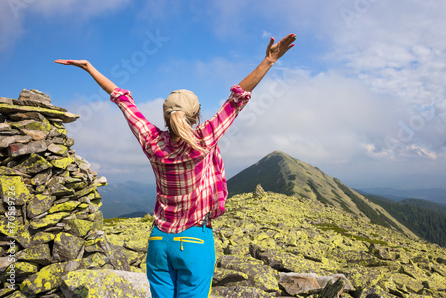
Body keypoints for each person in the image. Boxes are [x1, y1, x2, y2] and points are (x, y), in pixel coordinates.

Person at [55, 33, 296, 298]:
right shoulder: (204, 138)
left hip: (158, 241)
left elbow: (122, 99)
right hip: (194, 239)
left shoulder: (151, 140)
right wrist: (269, 60)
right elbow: (237, 98)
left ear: (165, 116)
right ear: (196, 115)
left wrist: (89, 68)